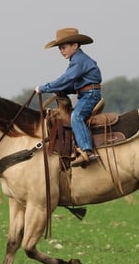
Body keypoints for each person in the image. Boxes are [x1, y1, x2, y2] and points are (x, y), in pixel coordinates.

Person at [35, 27, 102, 167]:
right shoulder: (77, 61)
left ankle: (87, 151)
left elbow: (65, 79)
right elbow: (72, 85)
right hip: (85, 94)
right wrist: (60, 90)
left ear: (75, 45)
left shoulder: (79, 61)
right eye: (60, 48)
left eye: (64, 47)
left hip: (90, 95)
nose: (61, 51)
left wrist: (44, 88)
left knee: (76, 117)